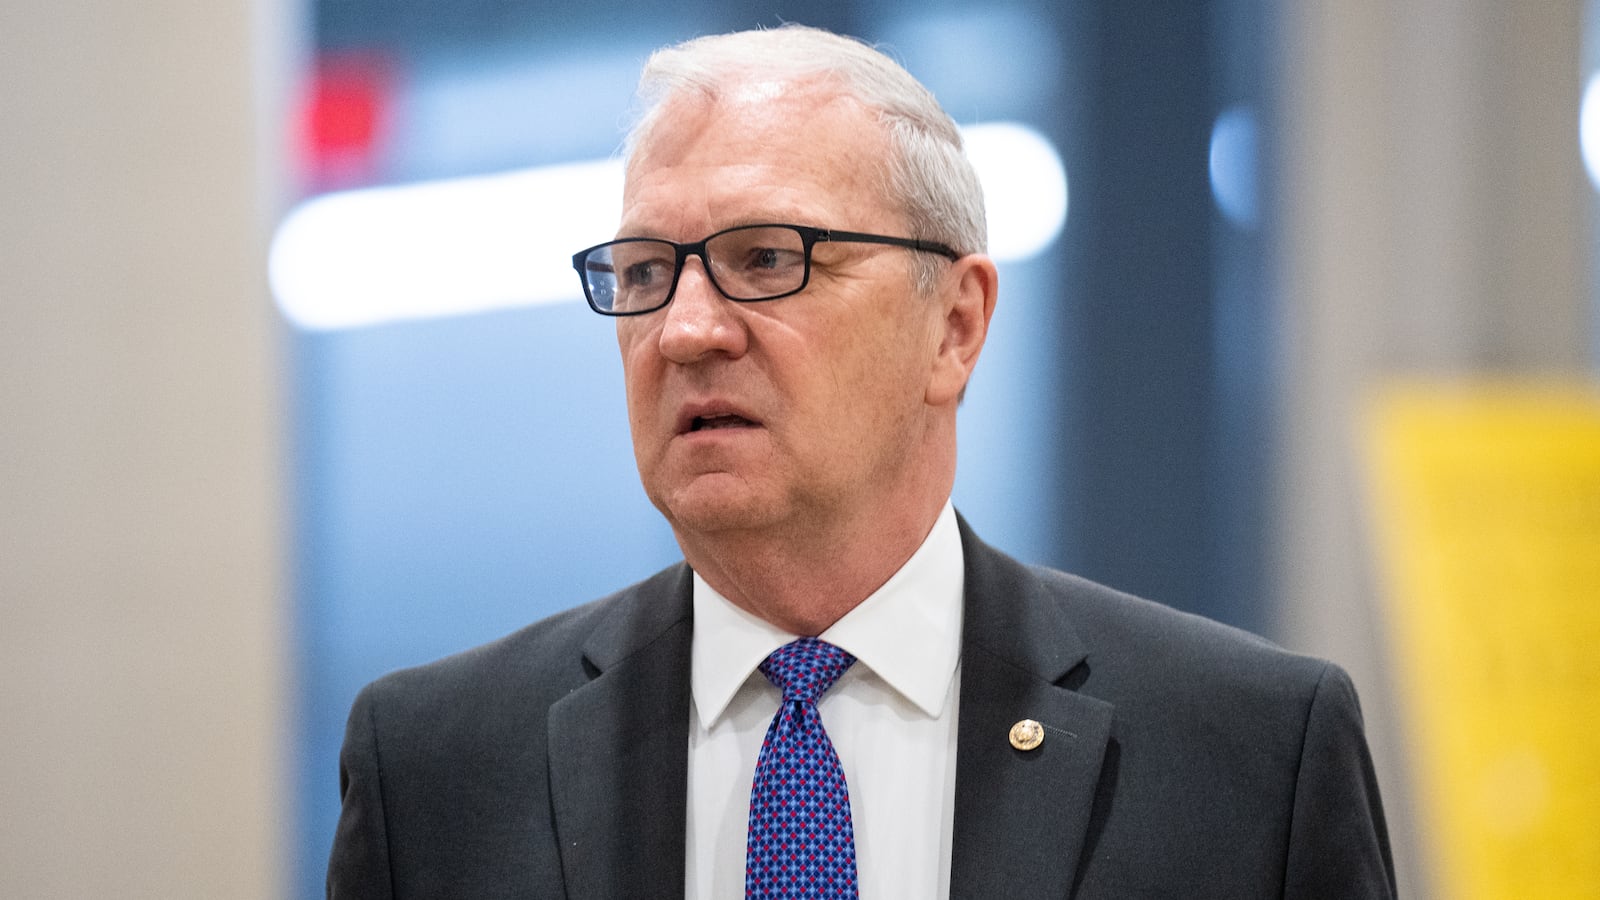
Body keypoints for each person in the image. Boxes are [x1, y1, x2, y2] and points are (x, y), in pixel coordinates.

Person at [327, 24, 1395, 899]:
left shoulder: (1247, 756)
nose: (685, 329)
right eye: (646, 272)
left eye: (766, 258)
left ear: (955, 326)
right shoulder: (437, 767)